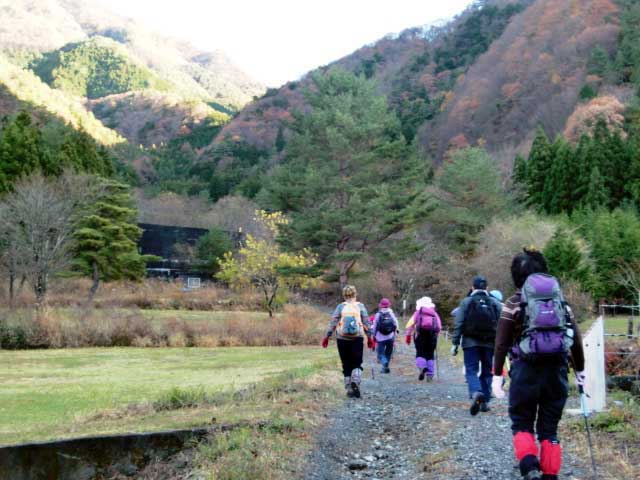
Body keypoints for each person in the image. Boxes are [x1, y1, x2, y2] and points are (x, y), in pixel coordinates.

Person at [492, 249, 585, 480]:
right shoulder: (562, 304)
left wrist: (497, 376)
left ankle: (530, 466)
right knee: (549, 428)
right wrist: (580, 371)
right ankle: (550, 474)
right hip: (557, 371)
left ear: (516, 275)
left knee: (522, 421)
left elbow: (501, 344)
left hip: (525, 370)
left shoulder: (513, 303)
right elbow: (576, 340)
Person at [451, 275, 502, 415]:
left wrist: (455, 343)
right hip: (490, 343)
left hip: (470, 342)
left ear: (472, 287)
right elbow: (503, 325)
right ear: (487, 288)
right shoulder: (495, 303)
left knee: (471, 370)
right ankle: (484, 402)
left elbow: (459, 323)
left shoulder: (466, 302)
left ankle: (476, 392)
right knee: (487, 371)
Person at [321, 285, 373, 398]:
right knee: (357, 363)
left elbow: (333, 323)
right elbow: (367, 323)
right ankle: (356, 381)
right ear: (355, 294)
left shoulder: (340, 307)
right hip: (357, 337)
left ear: (344, 295)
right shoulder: (360, 306)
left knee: (346, 364)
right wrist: (370, 338)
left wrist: (327, 336)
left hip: (342, 338)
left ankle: (349, 388)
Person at [405, 296, 442, 381]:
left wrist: (408, 336)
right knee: (430, 354)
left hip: (420, 336)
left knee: (420, 353)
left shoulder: (418, 312)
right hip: (432, 336)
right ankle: (430, 374)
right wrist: (436, 335)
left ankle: (422, 367)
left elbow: (410, 325)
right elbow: (439, 327)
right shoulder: (434, 313)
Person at [371, 298, 399, 373]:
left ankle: (384, 363)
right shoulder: (391, 313)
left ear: (381, 306)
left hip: (380, 338)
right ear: (388, 305)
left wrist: (373, 335)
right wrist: (395, 333)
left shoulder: (378, 314)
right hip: (390, 337)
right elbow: (396, 324)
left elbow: (374, 326)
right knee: (388, 353)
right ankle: (386, 367)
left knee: (380, 354)